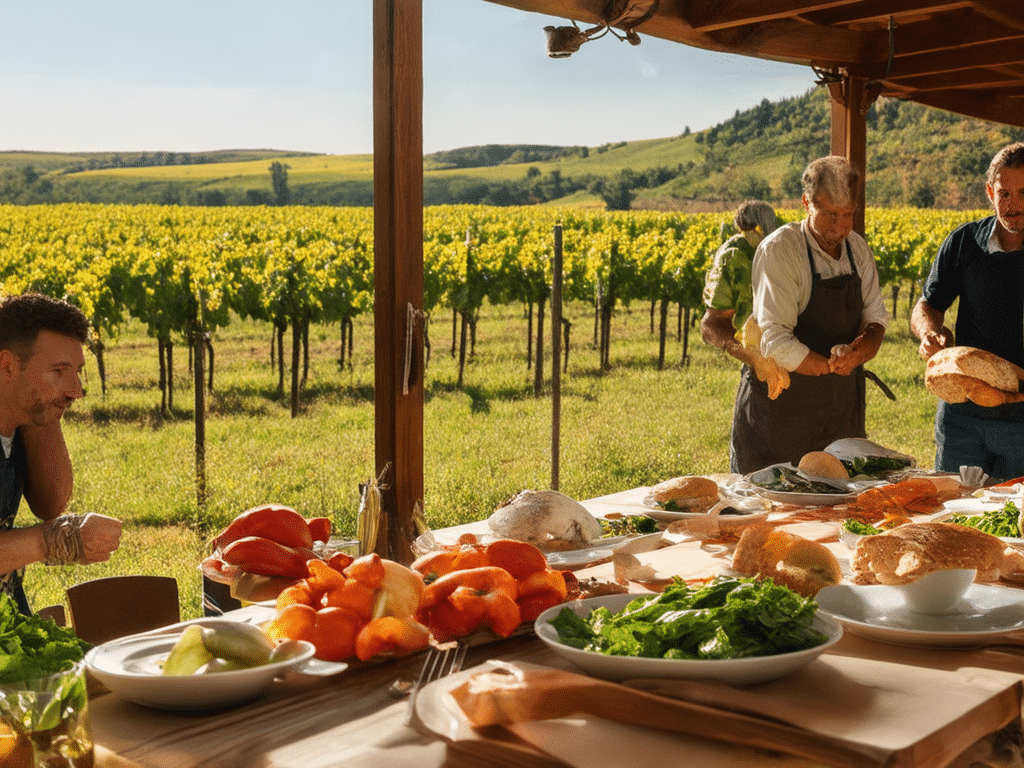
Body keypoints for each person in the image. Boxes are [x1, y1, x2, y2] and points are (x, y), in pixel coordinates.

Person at [730, 156, 889, 474]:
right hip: (779, 420)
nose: (840, 227)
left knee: (840, 512)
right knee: (774, 515)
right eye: (830, 214)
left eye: (847, 215)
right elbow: (774, 340)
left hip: (839, 414)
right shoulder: (781, 250)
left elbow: (875, 321)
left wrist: (855, 353)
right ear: (806, 203)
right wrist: (830, 365)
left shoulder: (857, 250)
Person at [0, 293, 122, 615]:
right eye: (58, 371)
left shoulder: (20, 422)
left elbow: (51, 503)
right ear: (8, 365)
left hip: (11, 626)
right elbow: (52, 524)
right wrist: (55, 541)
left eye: (77, 372)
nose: (77, 390)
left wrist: (43, 405)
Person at [911, 142, 1024, 480]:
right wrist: (928, 332)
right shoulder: (964, 242)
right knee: (953, 512)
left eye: (1023, 193)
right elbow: (927, 305)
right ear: (990, 191)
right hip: (961, 417)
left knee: (1014, 522)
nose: (1013, 205)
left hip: (1021, 420)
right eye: (1004, 193)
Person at [701, 199, 781, 365]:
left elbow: (713, 320)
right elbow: (711, 323)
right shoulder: (736, 253)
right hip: (775, 356)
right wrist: (756, 360)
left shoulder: (734, 252)